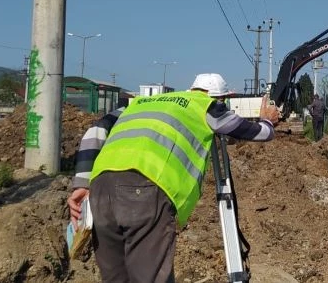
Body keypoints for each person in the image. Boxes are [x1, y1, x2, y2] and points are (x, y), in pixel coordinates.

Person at [67, 73, 280, 283]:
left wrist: (82, 184)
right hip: (145, 190)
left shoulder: (140, 102)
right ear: (221, 98)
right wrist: (267, 121)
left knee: (115, 278)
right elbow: (256, 132)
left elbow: (94, 130)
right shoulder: (205, 105)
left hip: (100, 190)